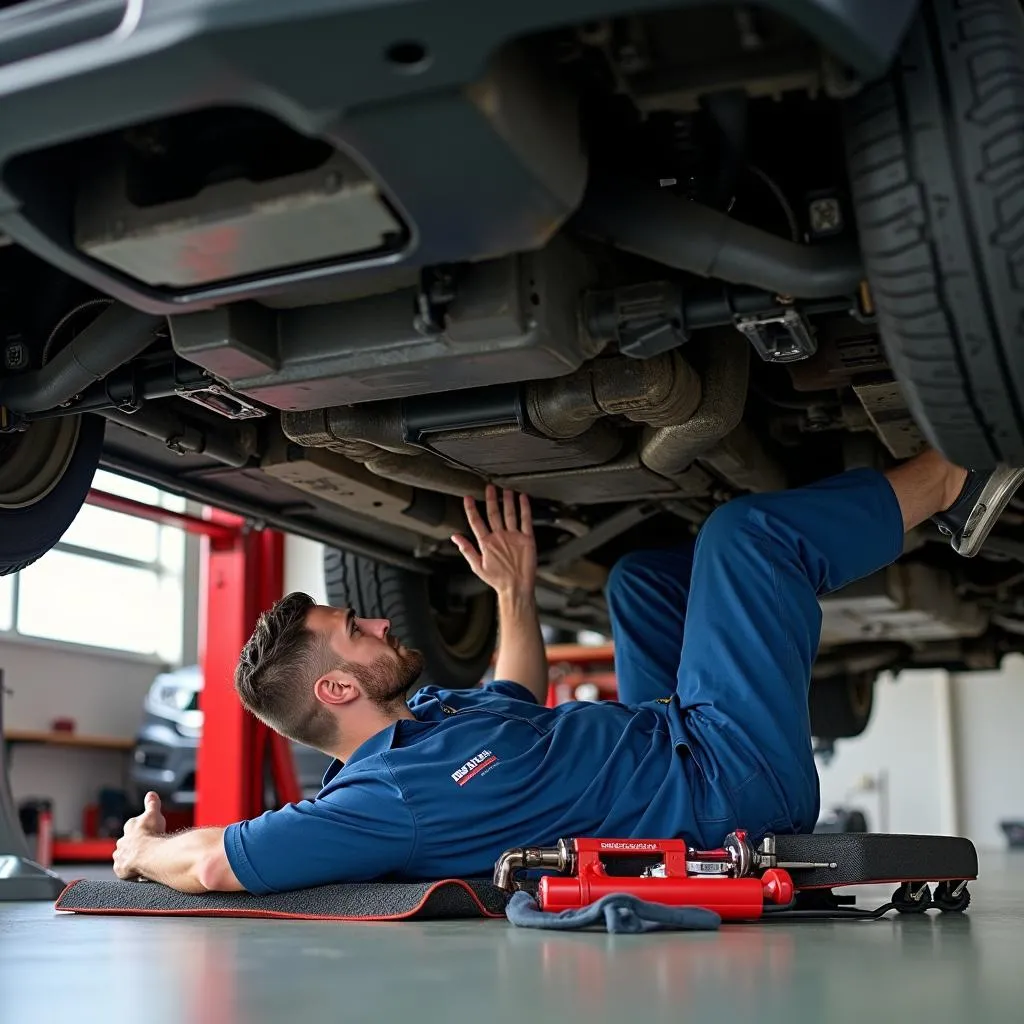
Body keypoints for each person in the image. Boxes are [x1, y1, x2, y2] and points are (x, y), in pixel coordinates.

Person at [112, 449, 1024, 894]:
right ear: (336, 691)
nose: (381, 619)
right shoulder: (381, 801)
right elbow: (223, 863)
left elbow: (513, 691)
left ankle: (838, 510)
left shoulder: (427, 721)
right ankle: (951, 481)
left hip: (677, 735)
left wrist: (515, 589)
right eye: (356, 628)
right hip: (726, 786)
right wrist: (143, 851)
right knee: (748, 539)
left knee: (641, 582)